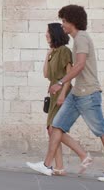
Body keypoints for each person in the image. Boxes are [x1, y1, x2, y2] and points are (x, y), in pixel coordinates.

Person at [27, 5, 104, 182]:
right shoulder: (77, 39)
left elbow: (79, 65)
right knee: (56, 126)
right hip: (77, 93)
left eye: (64, 21)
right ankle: (47, 164)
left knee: (101, 130)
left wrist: (60, 83)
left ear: (72, 21)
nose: (62, 25)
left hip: (88, 93)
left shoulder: (81, 38)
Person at [42, 23, 73, 176]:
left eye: (47, 32)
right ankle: (59, 167)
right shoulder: (53, 52)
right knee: (51, 130)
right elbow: (46, 74)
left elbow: (69, 75)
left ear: (54, 33)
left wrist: (62, 94)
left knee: (55, 129)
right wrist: (47, 55)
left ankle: (82, 153)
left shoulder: (65, 51)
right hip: (53, 93)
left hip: (63, 92)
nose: (45, 34)